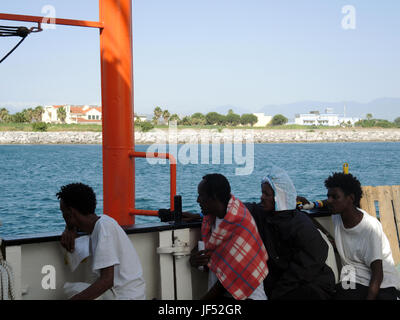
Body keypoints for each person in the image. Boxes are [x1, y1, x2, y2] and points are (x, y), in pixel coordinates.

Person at [245, 166, 336, 300]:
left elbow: (309, 264)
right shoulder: (264, 215)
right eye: (262, 193)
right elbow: (243, 208)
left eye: (266, 194)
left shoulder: (300, 225)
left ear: (279, 197)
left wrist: (278, 292)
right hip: (284, 283)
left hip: (313, 284)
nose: (262, 197)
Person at [57, 182, 146, 300]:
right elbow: (76, 221)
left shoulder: (104, 228)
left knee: (73, 292)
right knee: (71, 289)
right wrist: (69, 228)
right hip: (120, 292)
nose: (63, 216)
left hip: (124, 296)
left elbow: (107, 281)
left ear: (71, 213)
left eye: (63, 212)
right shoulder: (102, 222)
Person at [189, 173, 269, 300]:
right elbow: (213, 253)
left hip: (248, 296)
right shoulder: (212, 218)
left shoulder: (239, 223)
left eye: (201, 195)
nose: (197, 200)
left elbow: (228, 280)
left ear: (214, 197)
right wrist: (194, 259)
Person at [324, 172, 400, 300]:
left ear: (351, 198)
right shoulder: (336, 216)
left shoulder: (369, 227)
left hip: (381, 283)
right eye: (328, 196)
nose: (329, 200)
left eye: (335, 197)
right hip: (351, 275)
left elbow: (378, 273)